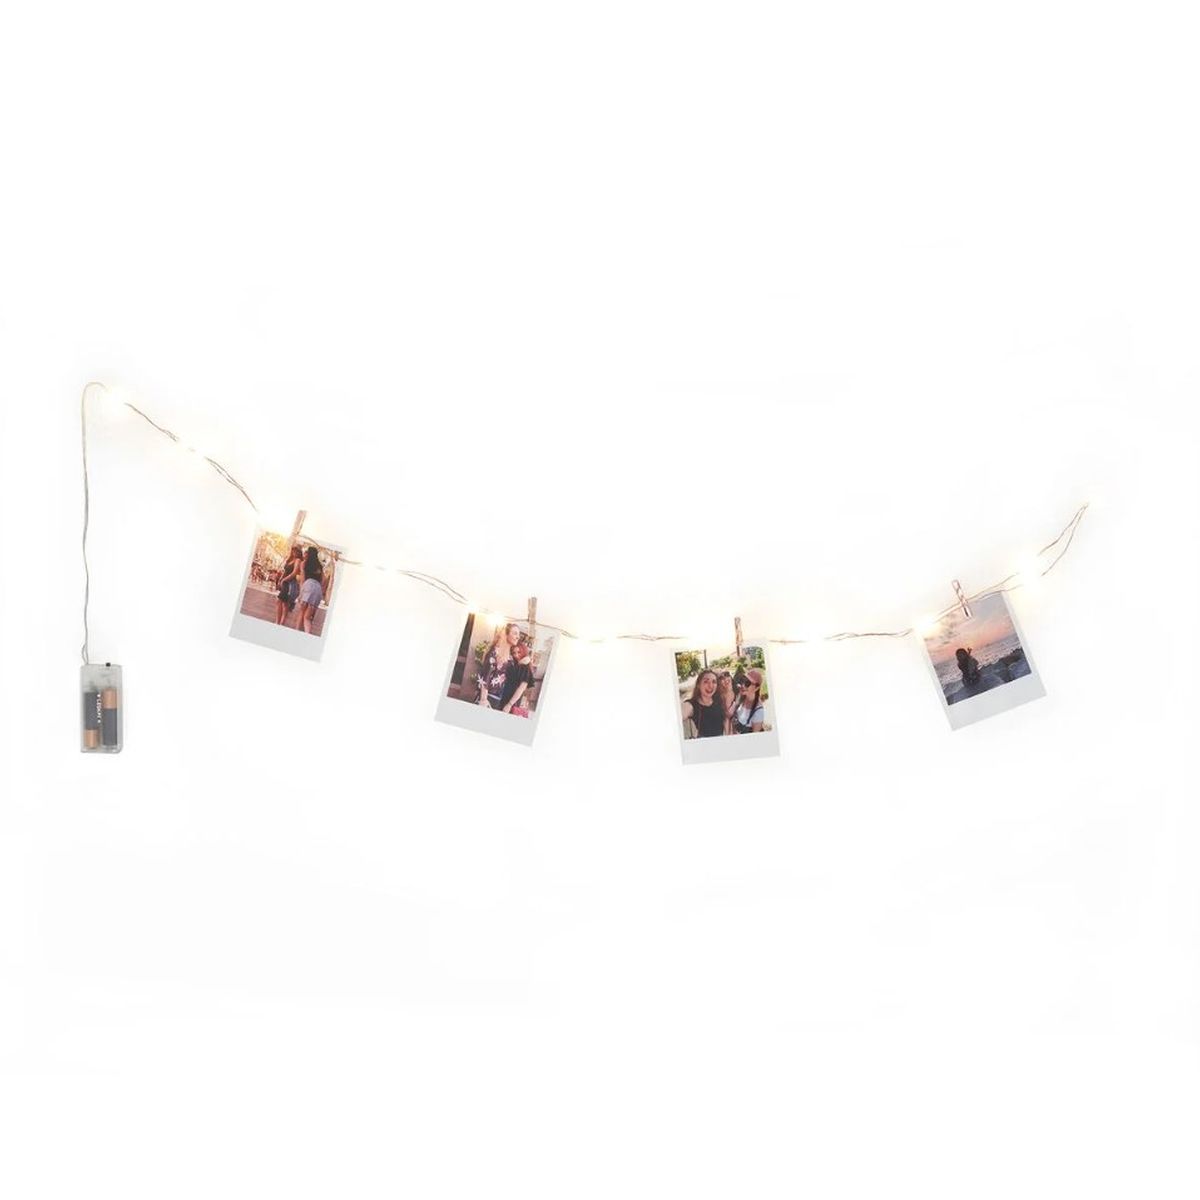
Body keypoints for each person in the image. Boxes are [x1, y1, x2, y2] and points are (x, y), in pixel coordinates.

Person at [476, 622, 518, 708]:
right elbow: (486, 675)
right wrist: (483, 699)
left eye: (518, 634)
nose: (518, 637)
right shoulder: (494, 652)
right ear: (506, 634)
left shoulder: (510, 657)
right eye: (515, 633)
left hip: (499, 700)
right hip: (488, 698)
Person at [681, 670, 729, 738]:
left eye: (714, 682)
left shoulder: (719, 700)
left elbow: (725, 719)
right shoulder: (692, 705)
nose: (710, 685)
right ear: (698, 685)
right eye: (706, 681)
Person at [297, 545, 325, 635]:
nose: (305, 554)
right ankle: (306, 634)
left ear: (309, 554)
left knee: (302, 612)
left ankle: (296, 632)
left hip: (308, 586)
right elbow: (323, 580)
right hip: (317, 589)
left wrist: (301, 594)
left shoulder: (304, 563)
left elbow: (302, 579)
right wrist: (320, 591)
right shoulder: (320, 566)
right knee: (307, 617)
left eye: (306, 553)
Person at [275, 545, 303, 625]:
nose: (294, 552)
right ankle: (280, 623)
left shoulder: (298, 560)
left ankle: (279, 622)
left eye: (297, 551)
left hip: (289, 583)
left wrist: (284, 580)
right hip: (285, 582)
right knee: (285, 604)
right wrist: (280, 579)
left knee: (280, 601)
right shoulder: (290, 559)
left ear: (299, 552)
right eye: (293, 550)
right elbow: (285, 571)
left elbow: (294, 573)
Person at [733, 668, 767, 733]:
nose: (743, 685)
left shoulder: (758, 711)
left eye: (747, 683)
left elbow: (755, 737)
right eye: (743, 680)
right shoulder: (741, 696)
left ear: (756, 688)